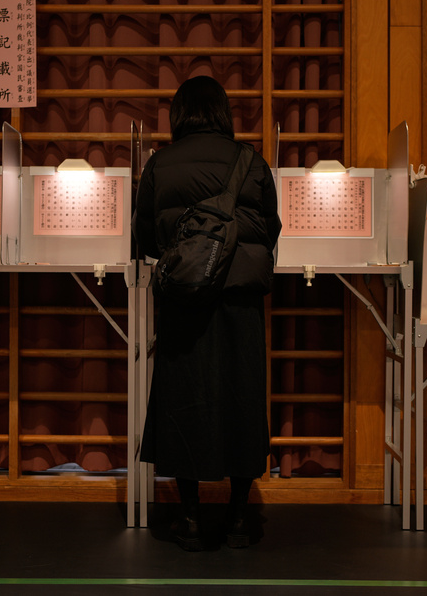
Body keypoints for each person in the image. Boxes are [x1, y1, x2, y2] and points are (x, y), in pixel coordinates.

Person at [132, 75, 282, 551]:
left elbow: (143, 238)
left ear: (178, 115)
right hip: (239, 301)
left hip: (184, 300)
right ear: (223, 113)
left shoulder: (160, 163)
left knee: (186, 402)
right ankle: (239, 519)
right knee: (241, 399)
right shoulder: (251, 161)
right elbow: (273, 226)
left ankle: (192, 519)